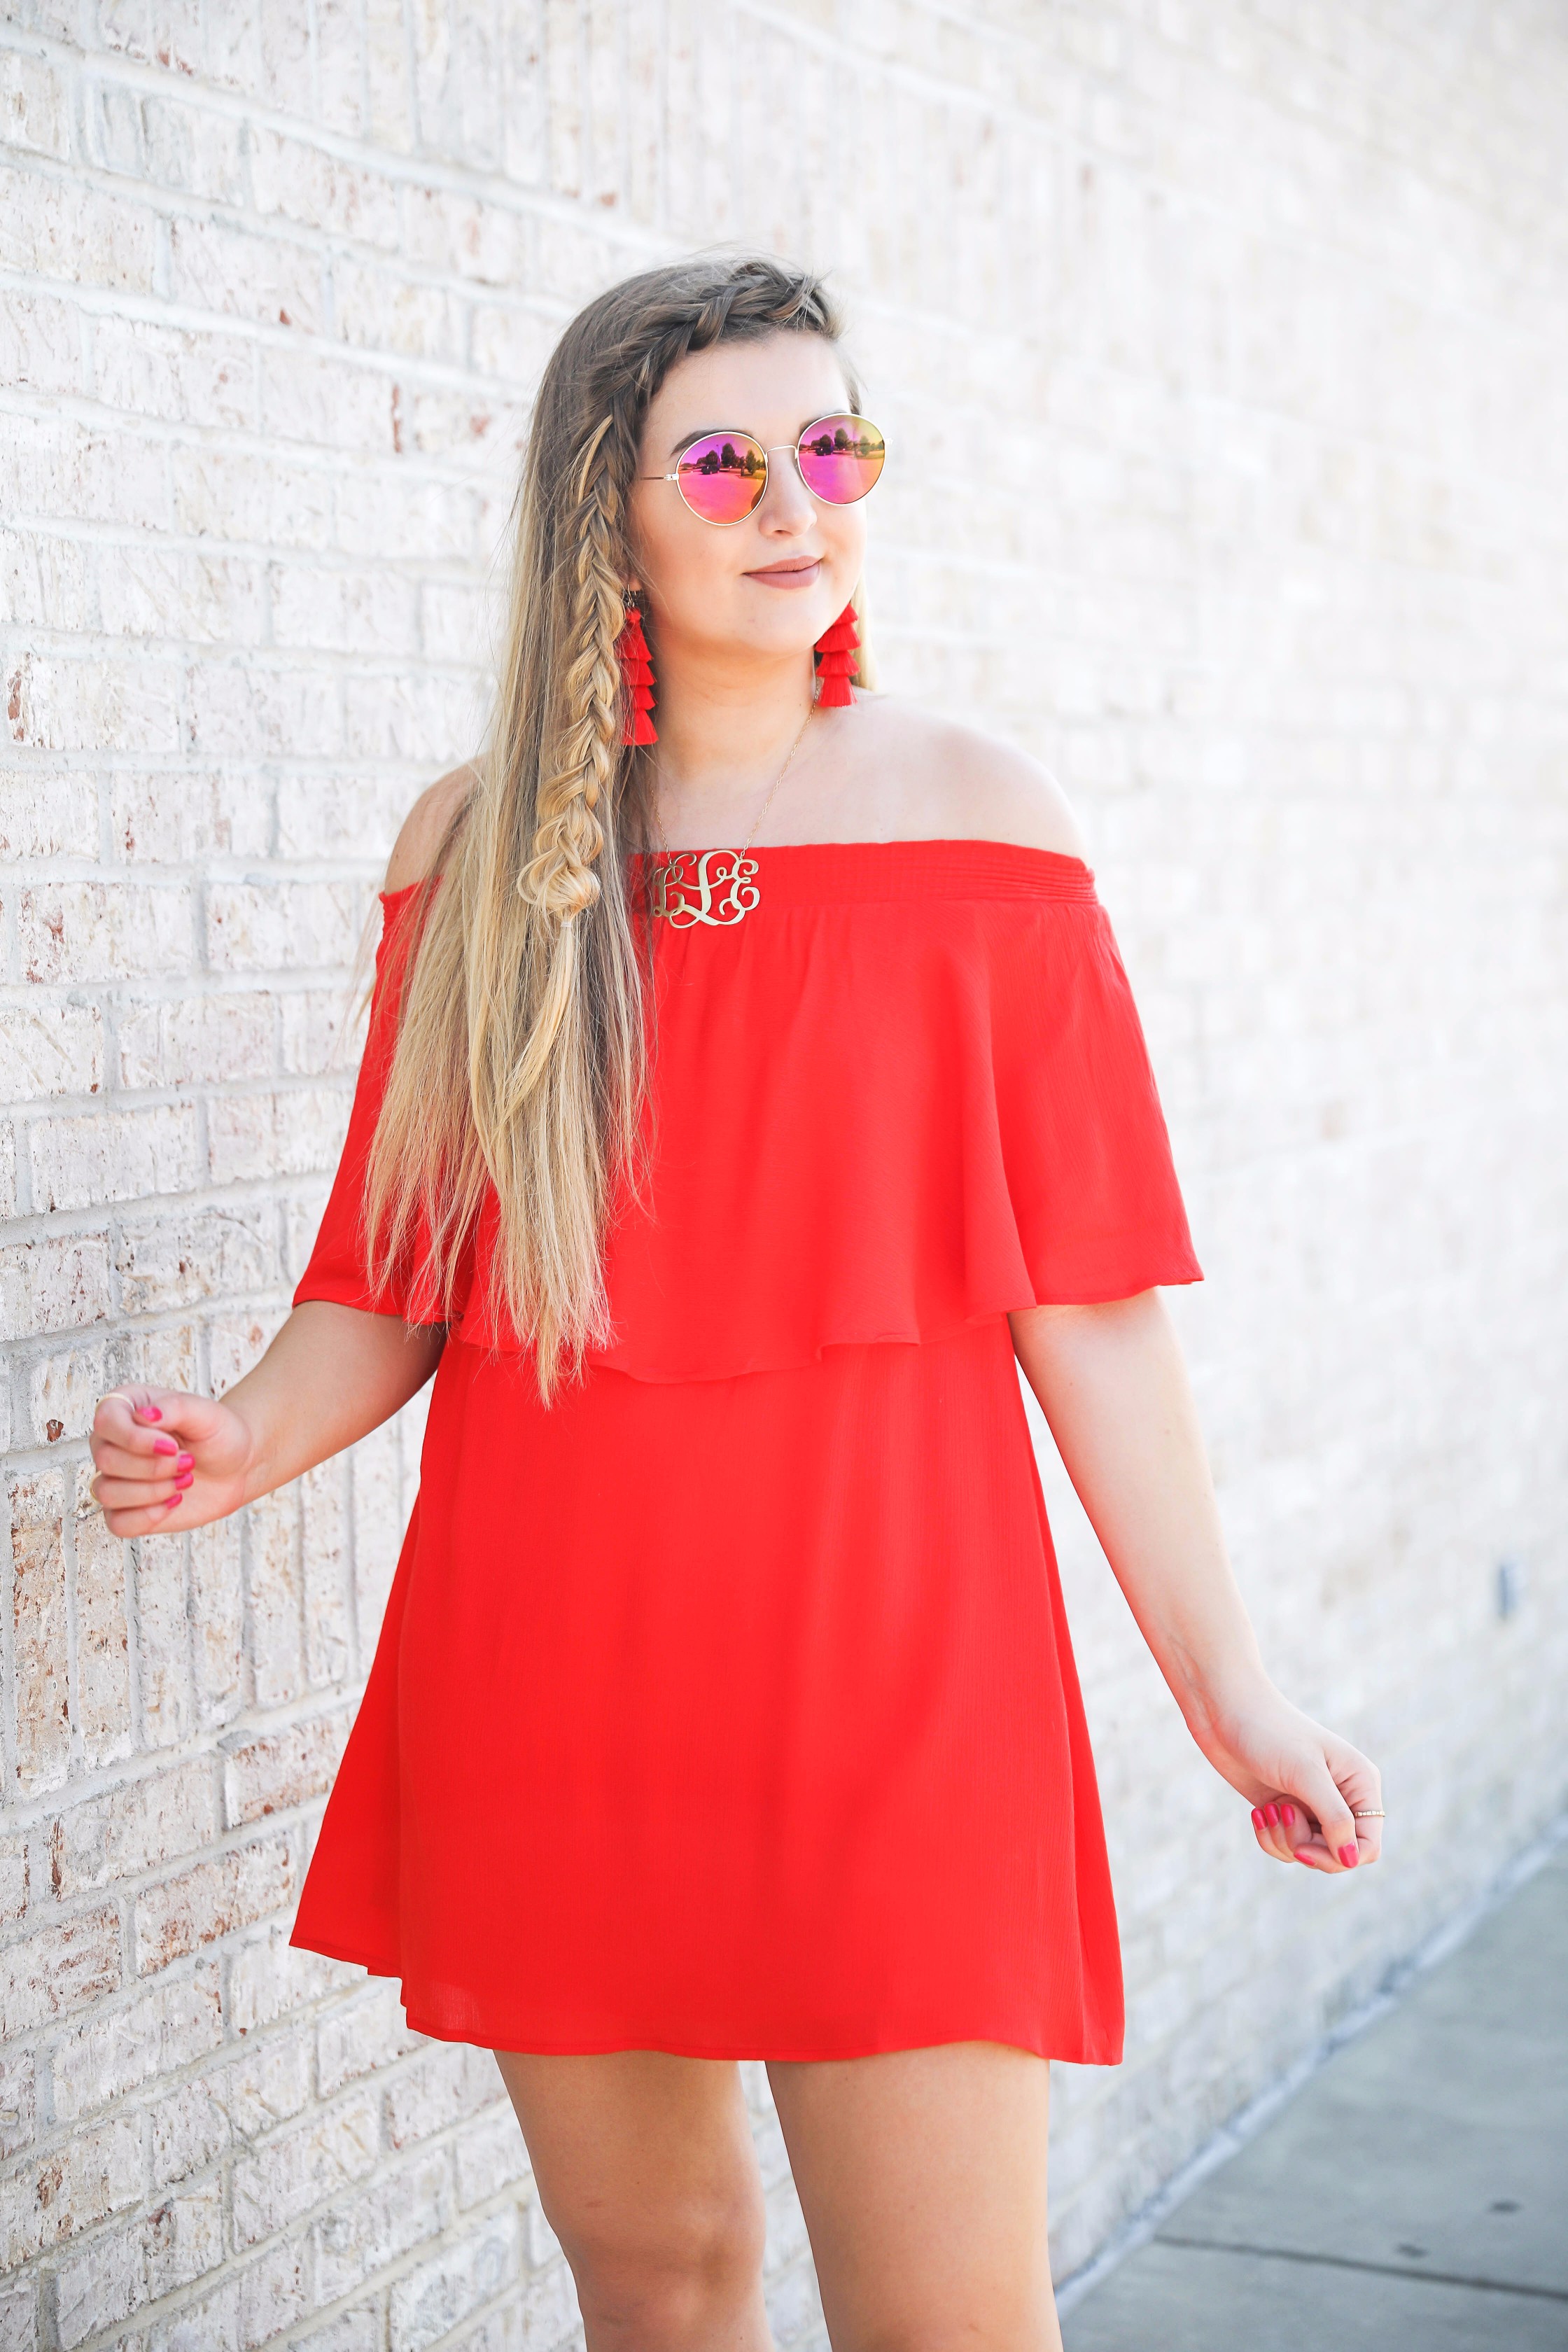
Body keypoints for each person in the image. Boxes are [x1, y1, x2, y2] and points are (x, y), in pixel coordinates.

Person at [88, 255, 1383, 2352]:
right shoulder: (478, 854)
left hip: (901, 1677)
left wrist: (1231, 1693)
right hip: (562, 1673)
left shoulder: (985, 826)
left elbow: (1098, 1314)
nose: (800, 498)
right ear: (607, 507)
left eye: (834, 445)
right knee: (659, 2281)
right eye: (726, 457)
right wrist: (240, 1436)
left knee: (948, 2319)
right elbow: (393, 1287)